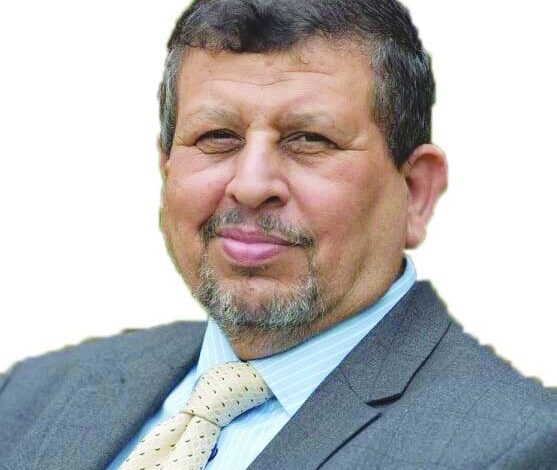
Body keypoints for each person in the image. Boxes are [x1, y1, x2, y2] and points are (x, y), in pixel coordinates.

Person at [1, 0, 556, 469]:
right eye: (217, 136)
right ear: (166, 167)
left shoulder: (516, 448)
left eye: (310, 139)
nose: (250, 185)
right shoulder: (29, 398)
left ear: (414, 192)